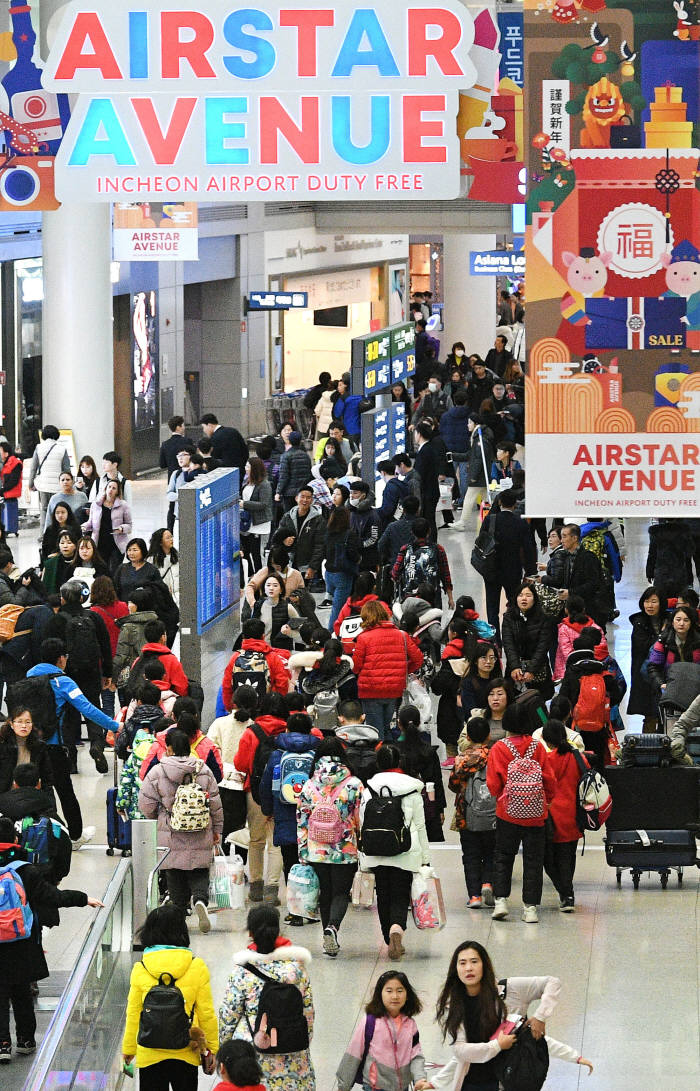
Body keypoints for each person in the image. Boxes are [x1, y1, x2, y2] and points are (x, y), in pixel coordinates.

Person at [0, 817, 103, 1064]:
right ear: (15, 840)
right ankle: (25, 1039)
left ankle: (2, 1042)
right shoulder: (25, 870)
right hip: (23, 941)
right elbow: (52, 897)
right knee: (22, 991)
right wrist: (83, 898)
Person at [431, 941, 592, 1091]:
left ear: (485, 965)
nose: (468, 968)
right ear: (456, 968)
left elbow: (552, 983)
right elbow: (461, 1052)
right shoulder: (452, 1005)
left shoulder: (510, 991)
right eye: (462, 963)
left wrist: (541, 1016)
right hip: (471, 1083)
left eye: (474, 961)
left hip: (507, 1080)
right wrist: (434, 1082)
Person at [218, 904, 316, 1090]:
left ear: (251, 933)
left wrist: (225, 1049)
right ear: (278, 930)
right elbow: (308, 1013)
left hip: (252, 1055)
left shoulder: (243, 971)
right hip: (292, 1052)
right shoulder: (296, 969)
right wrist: (299, 1039)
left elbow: (228, 1017)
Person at [122, 903, 219, 1086]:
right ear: (182, 931)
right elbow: (207, 1013)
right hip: (186, 1051)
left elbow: (133, 1013)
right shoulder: (196, 966)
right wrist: (211, 1049)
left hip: (149, 1053)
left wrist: (129, 1048)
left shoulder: (140, 969)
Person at [139, 726, 223, 932]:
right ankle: (200, 900)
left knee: (174, 872)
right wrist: (217, 829)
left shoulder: (157, 772)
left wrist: (160, 818)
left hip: (170, 830)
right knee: (199, 869)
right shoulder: (203, 769)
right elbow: (215, 803)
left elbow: (145, 804)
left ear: (168, 748)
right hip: (201, 828)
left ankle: (178, 912)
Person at [358, 744, 430, 960]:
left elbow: (363, 820)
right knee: (400, 892)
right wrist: (425, 859)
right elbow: (420, 826)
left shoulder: (369, 788)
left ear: (378, 763)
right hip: (404, 850)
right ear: (399, 762)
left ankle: (388, 938)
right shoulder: (412, 789)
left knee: (383, 894)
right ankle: (397, 927)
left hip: (376, 848)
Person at [486, 704, 557, 923]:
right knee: (533, 860)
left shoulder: (499, 748)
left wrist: (503, 797)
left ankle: (500, 901)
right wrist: (546, 800)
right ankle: (530, 908)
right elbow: (550, 779)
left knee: (503, 856)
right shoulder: (537, 747)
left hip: (507, 811)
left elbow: (493, 783)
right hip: (535, 813)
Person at [296, 737, 362, 956]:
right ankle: (332, 927)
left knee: (325, 892)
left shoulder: (309, 784)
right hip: (345, 848)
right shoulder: (353, 784)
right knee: (341, 892)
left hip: (316, 849)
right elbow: (359, 817)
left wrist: (303, 850)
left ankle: (327, 937)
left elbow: (302, 819)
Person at [44, 580, 113, 772]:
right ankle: (97, 745)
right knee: (92, 708)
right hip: (91, 673)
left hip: (65, 675)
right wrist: (107, 673)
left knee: (69, 715)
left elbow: (48, 648)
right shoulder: (94, 617)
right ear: (83, 596)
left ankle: (71, 760)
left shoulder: (57, 620)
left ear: (63, 598)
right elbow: (106, 647)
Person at [233, 693, 287, 904]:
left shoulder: (252, 731)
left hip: (254, 792)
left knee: (255, 841)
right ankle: (272, 890)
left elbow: (239, 764)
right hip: (283, 793)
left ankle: (255, 887)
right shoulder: (287, 729)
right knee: (276, 843)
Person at [337, 971, 429, 1091]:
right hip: (375, 1086)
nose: (395, 996)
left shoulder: (410, 1024)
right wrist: (343, 1086)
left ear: (407, 995)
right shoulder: (370, 1022)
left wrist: (420, 1078)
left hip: (403, 1087)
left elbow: (416, 1055)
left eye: (400, 991)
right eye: (389, 991)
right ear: (380, 994)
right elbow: (353, 1054)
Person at [353, 601, 423, 741]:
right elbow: (418, 659)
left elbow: (356, 666)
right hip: (394, 690)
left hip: (370, 691)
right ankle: (391, 756)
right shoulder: (401, 635)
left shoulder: (363, 638)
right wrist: (402, 671)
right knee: (388, 728)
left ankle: (382, 758)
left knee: (375, 731)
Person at [558, 631, 624, 769]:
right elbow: (617, 694)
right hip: (599, 724)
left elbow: (562, 699)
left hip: (576, 726)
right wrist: (604, 705)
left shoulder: (572, 672)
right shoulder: (602, 671)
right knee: (598, 759)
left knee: (579, 760)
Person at [541, 720, 588, 912]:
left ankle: (565, 892)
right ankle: (567, 893)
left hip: (550, 816)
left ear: (545, 739)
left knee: (548, 860)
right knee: (568, 858)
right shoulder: (578, 758)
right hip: (574, 816)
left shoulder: (545, 760)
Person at [449, 716, 496, 909]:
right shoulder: (495, 755)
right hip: (493, 814)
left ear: (467, 736)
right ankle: (488, 882)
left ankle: (474, 896)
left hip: (465, 814)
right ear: (488, 736)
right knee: (492, 852)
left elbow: (453, 785)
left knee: (470, 855)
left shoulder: (461, 759)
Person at [480, 491, 537, 643]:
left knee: (492, 607)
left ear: (499, 503)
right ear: (515, 504)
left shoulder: (490, 520)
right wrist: (531, 571)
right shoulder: (520, 523)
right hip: (513, 570)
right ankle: (514, 637)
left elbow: (481, 542)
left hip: (491, 570)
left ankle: (495, 641)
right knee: (514, 604)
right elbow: (528, 549)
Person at [396, 704, 445, 842]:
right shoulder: (429, 751)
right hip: (427, 808)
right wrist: (440, 809)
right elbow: (437, 781)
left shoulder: (394, 751)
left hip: (400, 808)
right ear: (419, 723)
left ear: (399, 724)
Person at [542, 523, 607, 629]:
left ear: (574, 538)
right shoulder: (567, 557)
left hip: (589, 610)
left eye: (564, 536)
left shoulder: (588, 558)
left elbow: (594, 584)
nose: (561, 540)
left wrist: (571, 592)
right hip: (572, 610)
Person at [501, 581, 554, 699]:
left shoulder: (544, 618)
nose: (524, 598)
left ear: (535, 599)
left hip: (538, 670)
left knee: (539, 708)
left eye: (528, 595)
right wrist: (515, 667)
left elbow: (543, 647)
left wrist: (532, 670)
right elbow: (508, 644)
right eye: (520, 595)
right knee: (514, 703)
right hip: (515, 672)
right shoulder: (509, 618)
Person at [222, 619, 290, 706]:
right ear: (263, 636)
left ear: (243, 636)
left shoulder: (235, 657)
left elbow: (227, 686)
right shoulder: (272, 657)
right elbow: (282, 684)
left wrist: (231, 708)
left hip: (241, 712)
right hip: (265, 710)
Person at [391, 518, 454, 610]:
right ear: (429, 531)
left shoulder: (405, 549)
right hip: (432, 599)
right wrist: (450, 598)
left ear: (412, 532)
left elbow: (395, 573)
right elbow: (446, 575)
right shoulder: (438, 549)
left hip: (410, 600)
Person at [271, 487, 326, 588]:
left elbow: (320, 546)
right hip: (287, 562)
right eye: (302, 497)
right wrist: (284, 540)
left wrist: (313, 567)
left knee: (300, 595)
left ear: (312, 500)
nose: (305, 500)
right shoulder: (288, 516)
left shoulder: (318, 520)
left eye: (308, 497)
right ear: (296, 498)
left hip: (305, 564)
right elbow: (276, 537)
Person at [628, 587, 666, 732]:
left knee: (664, 713)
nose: (649, 605)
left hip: (664, 673)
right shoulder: (639, 622)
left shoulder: (669, 620)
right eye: (646, 601)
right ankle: (648, 747)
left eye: (654, 601)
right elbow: (642, 646)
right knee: (650, 713)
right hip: (645, 675)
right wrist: (661, 636)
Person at [112, 587, 162, 692]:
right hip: (157, 675)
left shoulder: (128, 627)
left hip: (133, 677)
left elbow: (121, 656)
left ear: (138, 605)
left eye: (130, 602)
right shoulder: (157, 623)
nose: (128, 605)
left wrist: (113, 677)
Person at [553, 593, 609, 681]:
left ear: (566, 610)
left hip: (570, 672)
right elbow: (602, 649)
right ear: (584, 609)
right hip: (593, 671)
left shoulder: (564, 629)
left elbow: (566, 652)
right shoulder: (595, 627)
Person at [0, 707, 54, 797]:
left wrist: (50, 808)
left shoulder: (40, 746)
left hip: (31, 795)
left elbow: (47, 779)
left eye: (28, 722)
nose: (24, 726)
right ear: (11, 724)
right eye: (19, 721)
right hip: (5, 796)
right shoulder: (2, 745)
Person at [82, 478, 133, 572]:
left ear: (117, 492)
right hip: (99, 542)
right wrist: (84, 526)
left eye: (114, 488)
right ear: (105, 489)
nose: (111, 490)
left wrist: (122, 528)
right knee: (100, 570)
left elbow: (129, 526)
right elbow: (91, 522)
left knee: (114, 570)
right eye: (109, 487)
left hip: (116, 544)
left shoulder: (123, 505)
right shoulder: (96, 504)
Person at [646, 605, 700, 694]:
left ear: (691, 623)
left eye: (686, 620)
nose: (681, 623)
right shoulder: (663, 641)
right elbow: (653, 667)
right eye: (678, 619)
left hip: (695, 687)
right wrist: (660, 684)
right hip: (669, 687)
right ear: (672, 622)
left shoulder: (698, 642)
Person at [324, 505, 361, 630]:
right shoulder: (349, 534)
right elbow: (352, 553)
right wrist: (358, 559)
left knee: (335, 604)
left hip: (329, 573)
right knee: (338, 608)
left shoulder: (328, 532)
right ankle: (332, 632)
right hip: (343, 573)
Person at [28, 425, 71, 527]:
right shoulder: (62, 449)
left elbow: (33, 468)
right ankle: (58, 532)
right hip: (58, 486)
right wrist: (68, 484)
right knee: (58, 509)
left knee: (44, 509)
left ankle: (44, 535)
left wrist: (30, 484)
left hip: (43, 485)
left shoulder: (39, 448)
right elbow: (66, 469)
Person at [239, 457, 273, 577]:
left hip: (259, 524)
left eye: (248, 466)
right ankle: (251, 574)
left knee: (257, 553)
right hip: (247, 522)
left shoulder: (264, 484)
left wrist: (244, 503)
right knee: (246, 551)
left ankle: (260, 577)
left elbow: (264, 504)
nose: (245, 468)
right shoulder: (247, 481)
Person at [461, 678, 514, 751]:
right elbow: (461, 743)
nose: (495, 698)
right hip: (480, 758)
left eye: (500, 694)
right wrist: (476, 743)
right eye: (491, 694)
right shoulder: (478, 716)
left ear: (508, 696)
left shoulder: (514, 718)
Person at [412, 421, 441, 538]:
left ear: (419, 434)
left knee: (428, 521)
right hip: (432, 490)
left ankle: (431, 544)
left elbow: (420, 474)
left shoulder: (425, 451)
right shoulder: (429, 448)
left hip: (427, 492)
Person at [276, 432, 312, 512]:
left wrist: (278, 492)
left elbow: (283, 476)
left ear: (289, 441)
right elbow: (309, 474)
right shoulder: (306, 456)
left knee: (290, 517)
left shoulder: (285, 456)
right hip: (302, 492)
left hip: (289, 494)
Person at [148, 528, 180, 606]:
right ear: (160, 542)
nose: (171, 539)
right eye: (168, 538)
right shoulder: (152, 560)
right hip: (164, 597)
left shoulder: (177, 556)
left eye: (171, 537)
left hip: (178, 595)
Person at [0, 442, 22, 536]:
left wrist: (3, 490)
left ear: (6, 453)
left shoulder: (15, 463)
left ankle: (9, 528)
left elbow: (14, 481)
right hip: (7, 492)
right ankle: (8, 528)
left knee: (10, 508)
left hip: (11, 492)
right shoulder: (6, 463)